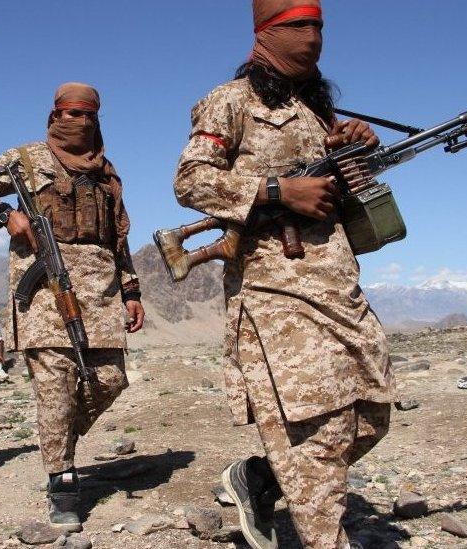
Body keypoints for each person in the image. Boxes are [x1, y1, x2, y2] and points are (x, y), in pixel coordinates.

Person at [171, 2, 396, 547]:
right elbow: (190, 181)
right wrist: (275, 191)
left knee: (371, 410)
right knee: (315, 427)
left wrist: (352, 152)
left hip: (337, 282)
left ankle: (260, 478)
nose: (313, 37)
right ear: (266, 34)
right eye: (299, 26)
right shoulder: (230, 103)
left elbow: (337, 194)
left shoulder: (317, 112)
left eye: (319, 26)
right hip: (273, 285)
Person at [0, 82, 145, 527]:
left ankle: (55, 437)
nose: (77, 121)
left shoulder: (106, 172)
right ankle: (61, 479)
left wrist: (132, 291)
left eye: (87, 114)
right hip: (42, 292)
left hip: (99, 292)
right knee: (55, 390)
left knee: (110, 379)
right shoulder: (25, 159)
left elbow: (119, 238)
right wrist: (5, 215)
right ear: (53, 114)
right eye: (69, 112)